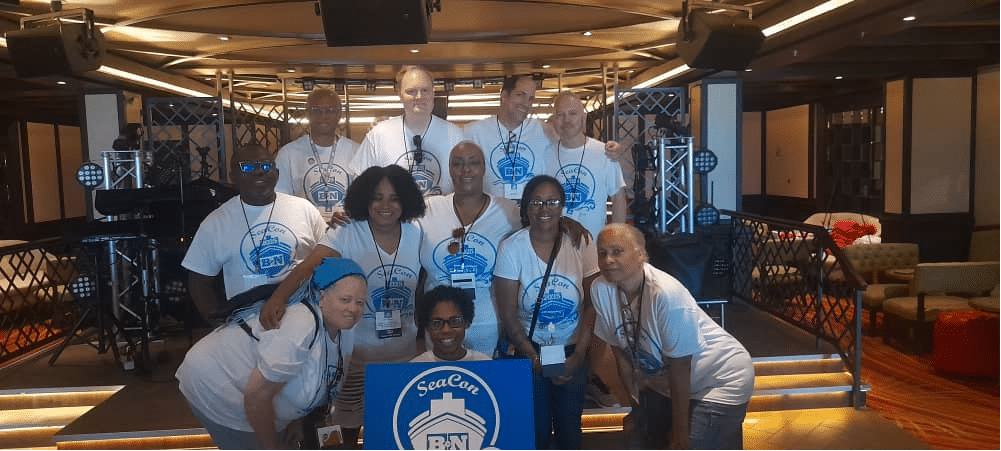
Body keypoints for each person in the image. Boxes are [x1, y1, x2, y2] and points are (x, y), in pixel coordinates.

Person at [259, 164, 426, 446]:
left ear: (406, 201)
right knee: (344, 433)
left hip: (404, 357)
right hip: (354, 358)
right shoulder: (347, 231)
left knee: (397, 431)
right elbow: (309, 268)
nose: (385, 205)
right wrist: (278, 298)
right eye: (377, 197)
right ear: (364, 199)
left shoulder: (417, 231)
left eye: (394, 198)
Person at [175, 257, 367, 450]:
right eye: (345, 300)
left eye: (360, 302)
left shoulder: (345, 329)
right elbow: (257, 397)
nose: (353, 309)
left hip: (262, 399)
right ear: (322, 297)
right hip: (220, 386)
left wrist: (295, 420)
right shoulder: (300, 324)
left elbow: (319, 377)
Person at [591, 223, 754, 450]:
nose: (608, 260)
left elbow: (681, 368)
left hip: (720, 377)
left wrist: (681, 432)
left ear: (641, 254)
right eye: (602, 253)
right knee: (643, 439)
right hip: (667, 381)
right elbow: (621, 355)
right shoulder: (601, 289)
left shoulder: (666, 295)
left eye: (617, 251)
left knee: (688, 445)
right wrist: (636, 409)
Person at [494, 175, 598, 450]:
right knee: (535, 434)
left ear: (562, 206)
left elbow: (592, 304)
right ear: (526, 207)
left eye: (552, 201)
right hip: (529, 354)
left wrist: (578, 356)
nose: (544, 209)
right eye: (536, 202)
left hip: (571, 352)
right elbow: (508, 314)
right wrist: (534, 358)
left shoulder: (581, 243)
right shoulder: (511, 248)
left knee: (570, 435)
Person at [182, 143, 328, 326]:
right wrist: (220, 327)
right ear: (232, 177)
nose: (259, 172)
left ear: (277, 173)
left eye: (266, 166)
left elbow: (328, 259)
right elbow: (199, 281)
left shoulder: (304, 209)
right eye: (248, 167)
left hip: (303, 318)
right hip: (246, 323)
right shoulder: (217, 222)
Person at [417, 141, 520, 356]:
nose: (466, 169)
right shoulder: (429, 209)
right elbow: (389, 225)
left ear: (484, 169)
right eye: (458, 163)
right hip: (439, 324)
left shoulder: (507, 211)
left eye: (474, 163)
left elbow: (538, 231)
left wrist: (565, 223)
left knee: (484, 385)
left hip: (487, 323)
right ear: (449, 169)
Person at [464, 74, 627, 203]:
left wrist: (613, 149)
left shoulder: (544, 130)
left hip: (532, 223)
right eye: (520, 95)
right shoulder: (473, 132)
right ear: (503, 96)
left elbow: (573, 138)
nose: (526, 103)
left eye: (531, 98)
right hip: (491, 220)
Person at [348, 65, 463, 196]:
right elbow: (360, 186)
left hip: (441, 216)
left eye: (425, 90)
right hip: (393, 216)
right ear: (400, 95)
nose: (419, 97)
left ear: (433, 92)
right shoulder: (379, 135)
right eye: (411, 91)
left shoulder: (456, 136)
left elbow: (467, 188)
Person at [275, 88, 359, 224]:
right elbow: (281, 200)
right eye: (316, 110)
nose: (323, 116)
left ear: (339, 114)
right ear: (307, 113)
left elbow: (366, 197)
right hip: (306, 232)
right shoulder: (288, 153)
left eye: (330, 110)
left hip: (347, 231)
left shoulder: (356, 151)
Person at [549, 90, 627, 237]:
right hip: (555, 247)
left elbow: (618, 197)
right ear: (553, 120)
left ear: (583, 118)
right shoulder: (545, 155)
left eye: (572, 114)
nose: (566, 120)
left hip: (593, 246)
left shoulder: (605, 153)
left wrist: (616, 238)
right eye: (560, 115)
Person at [411, 285, 492, 362]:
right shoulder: (416, 366)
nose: (446, 330)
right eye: (437, 323)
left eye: (455, 321)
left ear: (466, 322)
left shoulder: (484, 363)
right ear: (427, 327)